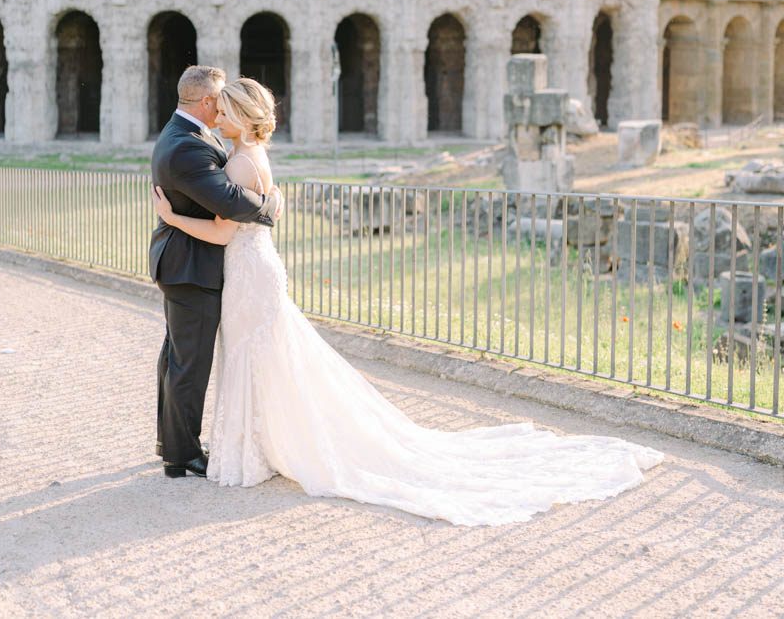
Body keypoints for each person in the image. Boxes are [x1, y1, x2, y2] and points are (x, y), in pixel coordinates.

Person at [152, 77, 663, 525]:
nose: (217, 114)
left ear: (240, 116)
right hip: (254, 271)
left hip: (246, 271)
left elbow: (222, 234)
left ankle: (256, 448)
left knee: (256, 359)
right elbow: (256, 211)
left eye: (224, 108)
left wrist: (172, 220)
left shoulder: (240, 162)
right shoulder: (249, 156)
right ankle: (258, 445)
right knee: (264, 360)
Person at [150, 65, 281, 479]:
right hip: (192, 265)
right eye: (219, 101)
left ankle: (173, 444)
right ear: (207, 102)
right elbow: (230, 202)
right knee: (188, 363)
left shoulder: (187, 134)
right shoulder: (186, 145)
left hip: (197, 262)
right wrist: (271, 205)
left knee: (180, 359)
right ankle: (181, 452)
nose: (221, 109)